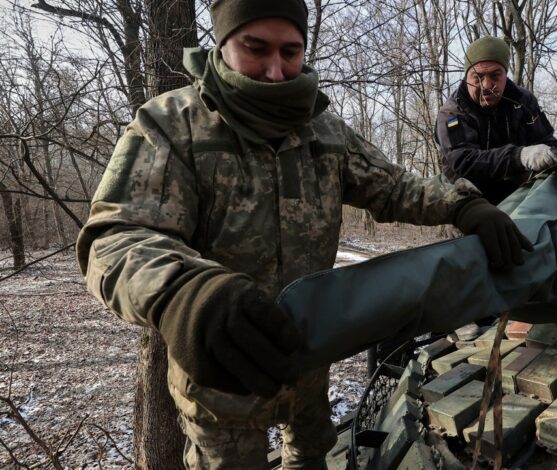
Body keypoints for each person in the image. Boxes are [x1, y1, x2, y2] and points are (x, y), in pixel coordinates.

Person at [76, 1, 533, 468]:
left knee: (312, 456)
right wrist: (182, 294)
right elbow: (114, 238)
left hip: (311, 356)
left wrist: (462, 203)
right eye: (256, 48)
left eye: (291, 52)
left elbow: (393, 185)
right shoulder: (173, 124)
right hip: (223, 378)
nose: (276, 72)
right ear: (223, 42)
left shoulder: (322, 131)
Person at [435, 36, 557, 205]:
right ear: (466, 78)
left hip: (521, 197)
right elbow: (464, 161)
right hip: (469, 201)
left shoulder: (523, 101)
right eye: (477, 77)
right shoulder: (452, 113)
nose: (486, 85)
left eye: (495, 76)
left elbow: (546, 143)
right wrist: (519, 156)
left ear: (505, 75)